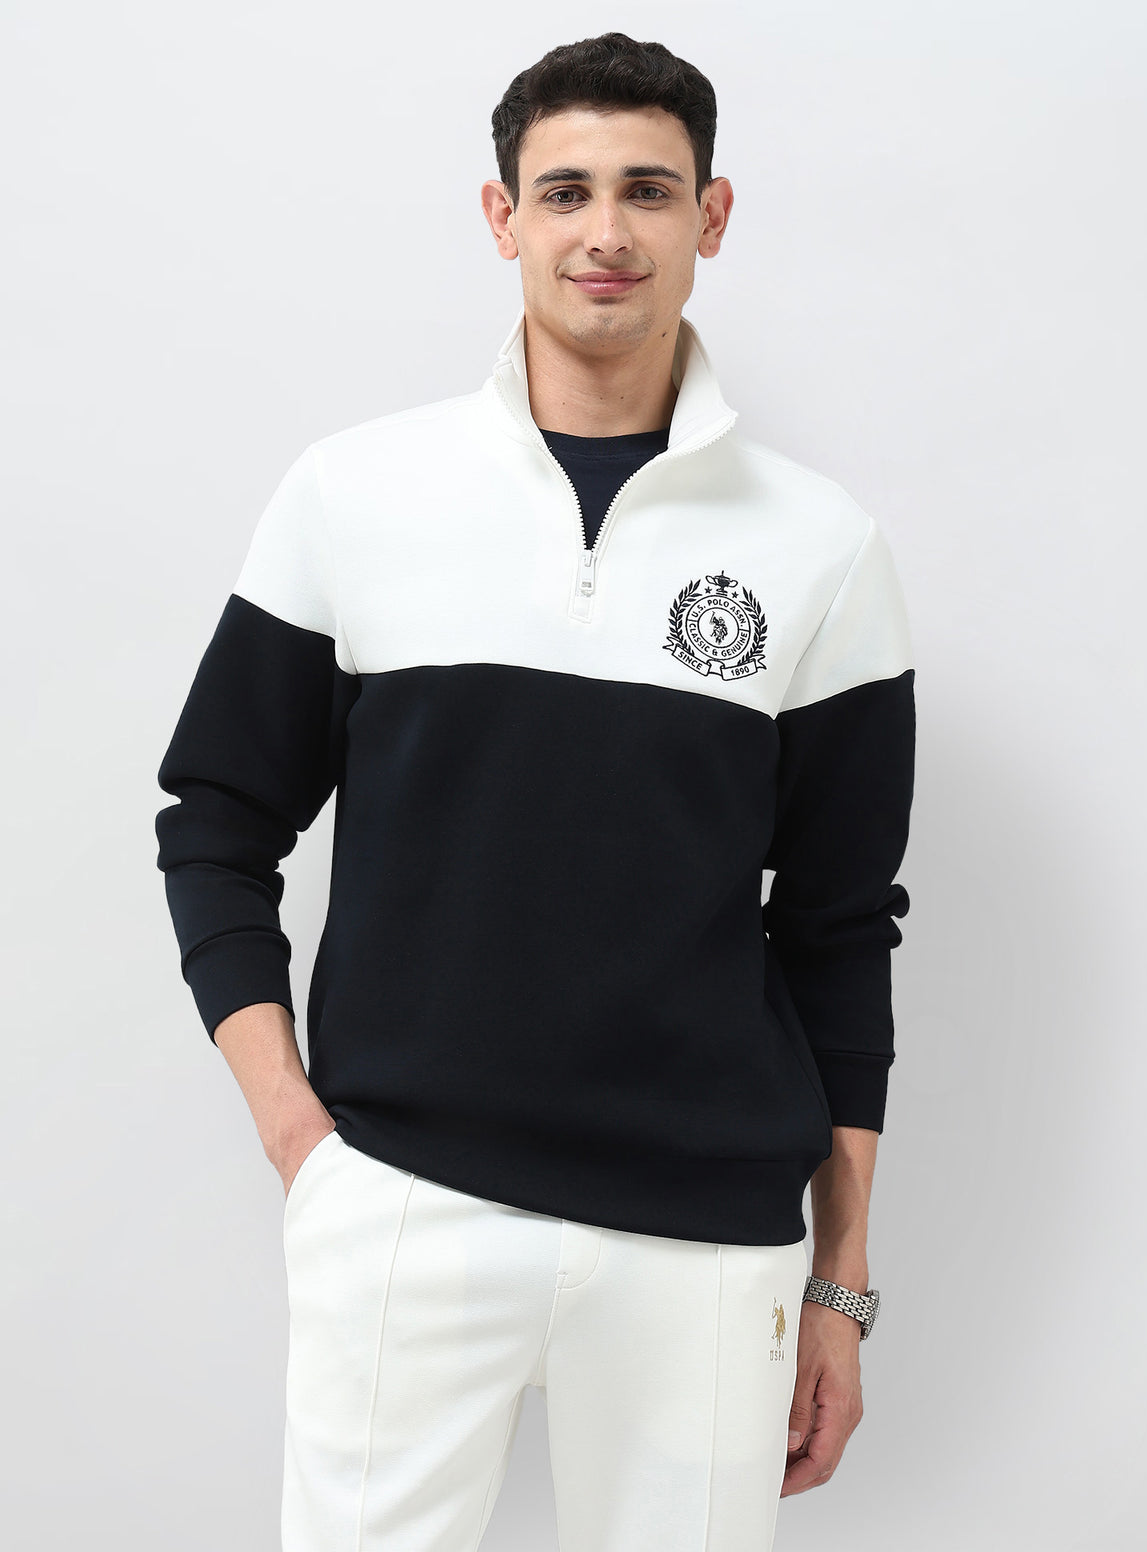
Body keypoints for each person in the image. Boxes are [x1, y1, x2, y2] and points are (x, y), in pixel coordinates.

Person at [154, 30, 916, 1552]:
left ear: (711, 217)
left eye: (649, 190)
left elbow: (840, 931)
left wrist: (839, 1284)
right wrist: (302, 1141)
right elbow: (217, 824)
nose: (605, 231)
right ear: (502, 217)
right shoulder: (356, 496)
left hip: (706, 1240)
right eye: (565, 191)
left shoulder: (821, 548)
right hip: (405, 1203)